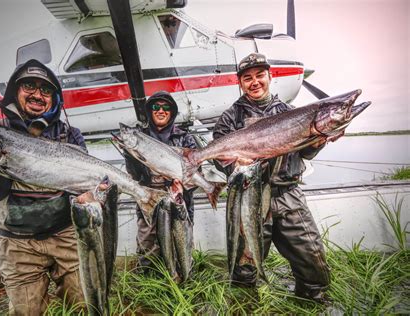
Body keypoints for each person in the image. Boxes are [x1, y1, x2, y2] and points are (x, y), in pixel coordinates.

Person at [0, 59, 86, 315]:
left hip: (65, 235)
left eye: (46, 90)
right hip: (17, 243)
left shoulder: (70, 135)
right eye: (29, 86)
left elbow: (83, 189)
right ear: (15, 92)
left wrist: (92, 196)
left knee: (84, 304)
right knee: (25, 311)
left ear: (54, 99)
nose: (37, 94)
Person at [213, 52, 335, 303]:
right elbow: (219, 156)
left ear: (270, 76)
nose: (254, 82)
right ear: (241, 82)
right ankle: (244, 304)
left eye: (260, 75)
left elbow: (307, 153)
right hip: (249, 195)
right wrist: (235, 165)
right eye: (247, 78)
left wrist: (319, 141)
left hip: (288, 193)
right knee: (244, 262)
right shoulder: (230, 117)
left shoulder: (291, 112)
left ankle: (311, 300)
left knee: (310, 256)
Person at [124, 91, 197, 277]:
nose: (161, 110)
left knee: (181, 246)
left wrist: (183, 187)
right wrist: (129, 152)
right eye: (156, 107)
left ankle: (183, 280)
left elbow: (196, 174)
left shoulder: (185, 138)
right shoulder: (139, 138)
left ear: (172, 112)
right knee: (147, 249)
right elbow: (133, 174)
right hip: (148, 199)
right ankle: (149, 284)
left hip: (178, 199)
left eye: (166, 107)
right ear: (150, 111)